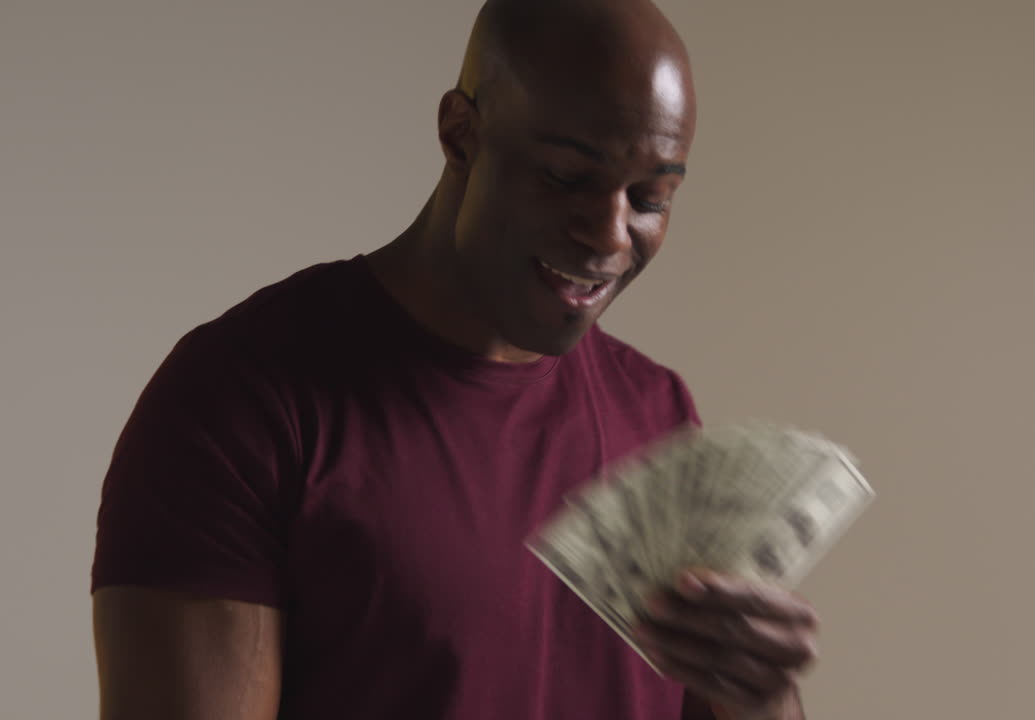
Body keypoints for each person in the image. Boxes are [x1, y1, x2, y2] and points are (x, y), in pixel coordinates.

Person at [91, 1, 820, 718]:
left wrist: (761, 695)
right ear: (461, 133)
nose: (610, 234)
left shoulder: (657, 413)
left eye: (651, 197)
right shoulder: (241, 401)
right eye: (567, 176)